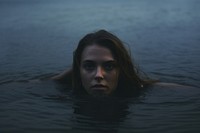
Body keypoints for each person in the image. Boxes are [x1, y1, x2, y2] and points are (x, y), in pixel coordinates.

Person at [52, 29, 157, 97]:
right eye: (89, 66)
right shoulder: (66, 94)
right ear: (79, 70)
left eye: (109, 66)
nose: (99, 75)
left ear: (121, 69)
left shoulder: (140, 93)